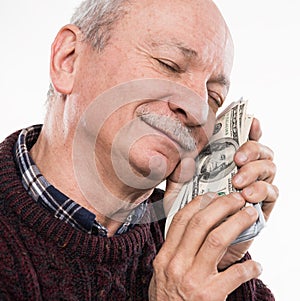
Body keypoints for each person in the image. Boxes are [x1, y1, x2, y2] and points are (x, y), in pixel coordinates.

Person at [0, 0, 278, 300]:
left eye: (214, 97)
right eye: (168, 64)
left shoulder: (188, 252)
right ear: (68, 60)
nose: (198, 110)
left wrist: (220, 267)